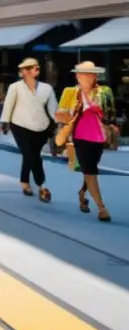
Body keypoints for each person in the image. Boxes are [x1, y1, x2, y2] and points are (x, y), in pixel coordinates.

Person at [57, 61, 117, 222]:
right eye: (81, 73)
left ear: (94, 76)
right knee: (90, 172)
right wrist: (72, 111)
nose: (84, 76)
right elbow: (60, 113)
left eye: (89, 74)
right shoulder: (70, 92)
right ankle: (101, 207)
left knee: (91, 169)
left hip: (98, 136)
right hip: (80, 136)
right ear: (77, 75)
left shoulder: (104, 92)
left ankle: (82, 193)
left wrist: (109, 123)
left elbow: (111, 113)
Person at [0, 57, 57, 202]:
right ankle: (42, 185)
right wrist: (4, 122)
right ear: (23, 72)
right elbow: (8, 105)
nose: (33, 70)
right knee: (31, 155)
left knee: (31, 154)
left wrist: (59, 125)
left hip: (41, 127)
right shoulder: (15, 87)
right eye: (28, 68)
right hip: (19, 125)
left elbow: (53, 109)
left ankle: (24, 181)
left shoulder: (46, 88)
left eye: (35, 67)